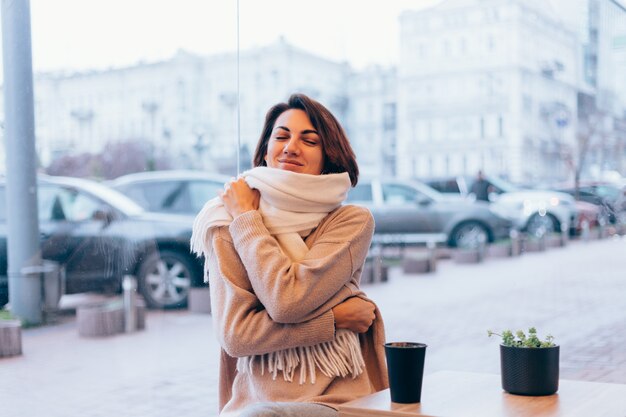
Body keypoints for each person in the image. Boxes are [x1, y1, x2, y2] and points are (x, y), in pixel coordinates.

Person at [191, 93, 388, 417]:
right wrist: (334, 318)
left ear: (329, 156)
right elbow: (237, 335)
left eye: (309, 141)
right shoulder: (225, 221)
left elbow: (287, 299)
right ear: (265, 150)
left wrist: (247, 222)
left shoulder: (349, 221)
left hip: (337, 401)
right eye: (281, 136)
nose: (291, 147)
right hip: (252, 402)